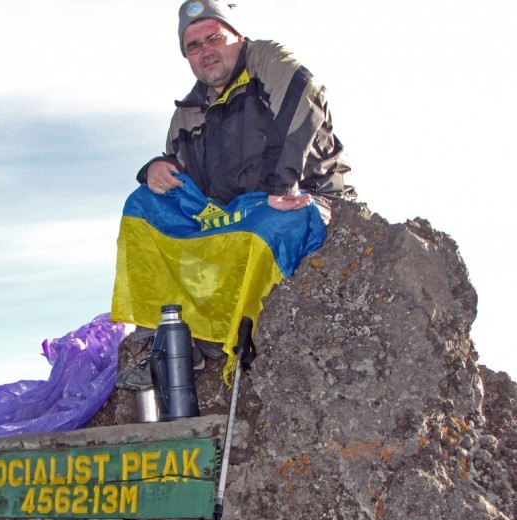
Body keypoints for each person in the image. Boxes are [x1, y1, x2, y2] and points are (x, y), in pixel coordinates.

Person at [113, 0, 356, 389]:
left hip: (299, 200)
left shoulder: (265, 60)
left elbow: (303, 96)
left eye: (214, 37)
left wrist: (283, 185)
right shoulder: (188, 113)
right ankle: (167, 336)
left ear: (237, 38)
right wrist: (155, 168)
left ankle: (227, 338)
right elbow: (182, 179)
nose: (205, 50)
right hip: (234, 214)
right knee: (143, 205)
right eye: (193, 46)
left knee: (264, 226)